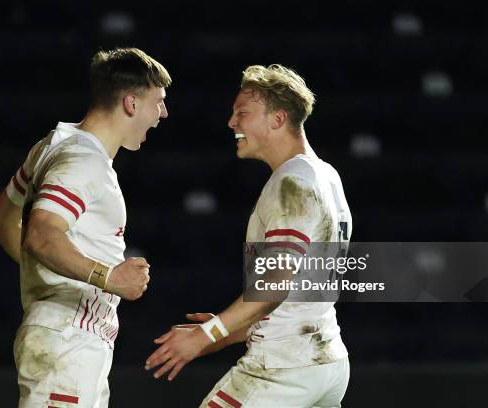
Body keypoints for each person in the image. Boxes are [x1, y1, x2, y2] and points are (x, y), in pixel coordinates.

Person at [145, 64, 352, 407]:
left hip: (283, 368)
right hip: (325, 362)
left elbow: (275, 284)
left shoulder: (292, 182)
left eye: (242, 113)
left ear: (278, 119)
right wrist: (227, 332)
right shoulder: (326, 175)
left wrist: (206, 336)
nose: (232, 122)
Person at [0, 47, 171, 408]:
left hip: (64, 335)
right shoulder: (84, 160)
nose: (162, 113)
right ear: (131, 103)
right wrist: (108, 277)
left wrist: (44, 273)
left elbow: (3, 218)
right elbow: (41, 234)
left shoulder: (51, 145)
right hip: (69, 337)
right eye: (159, 102)